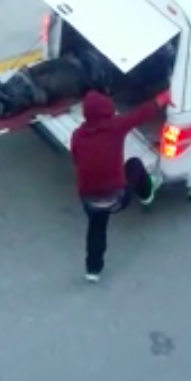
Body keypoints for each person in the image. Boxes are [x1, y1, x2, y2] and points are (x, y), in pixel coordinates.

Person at [70, 89, 169, 282]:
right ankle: (147, 194)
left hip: (89, 200)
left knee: (96, 227)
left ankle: (93, 270)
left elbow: (76, 158)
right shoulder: (116, 126)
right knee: (134, 165)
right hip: (117, 198)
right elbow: (141, 114)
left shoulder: (78, 136)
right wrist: (163, 98)